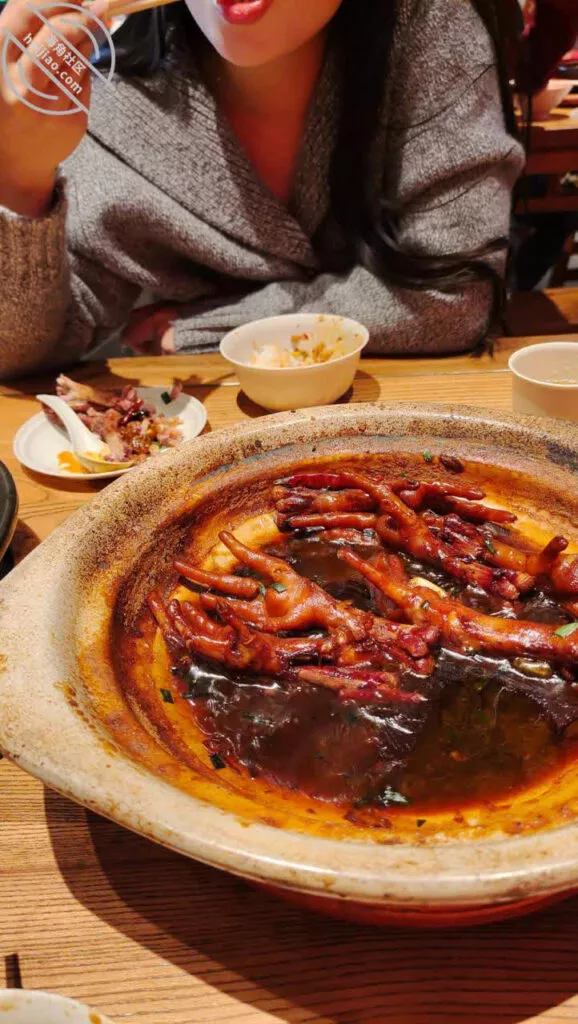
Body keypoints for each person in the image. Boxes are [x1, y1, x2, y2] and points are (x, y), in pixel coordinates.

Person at [0, 0, 524, 378]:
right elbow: (25, 352)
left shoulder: (426, 23)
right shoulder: (106, 87)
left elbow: (452, 296)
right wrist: (20, 181)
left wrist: (215, 329)